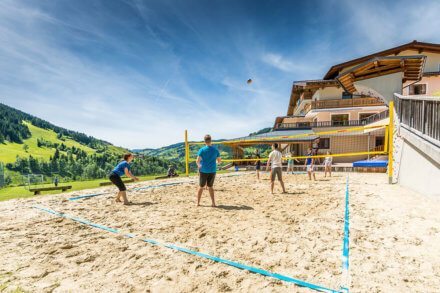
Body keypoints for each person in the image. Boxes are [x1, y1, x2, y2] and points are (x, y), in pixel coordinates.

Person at [196, 135, 221, 207]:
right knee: (210, 187)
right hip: (212, 170)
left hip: (203, 170)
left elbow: (197, 161)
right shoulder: (215, 150)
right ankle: (213, 203)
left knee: (201, 187)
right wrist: (215, 162)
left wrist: (199, 166)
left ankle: (198, 203)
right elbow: (219, 161)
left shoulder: (202, 150)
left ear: (204, 141)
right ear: (211, 141)